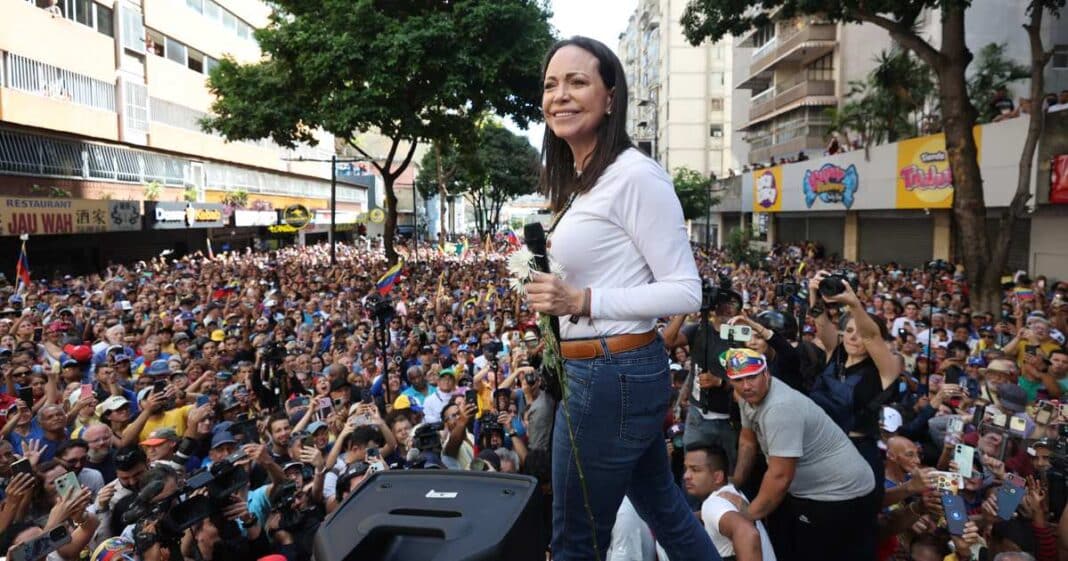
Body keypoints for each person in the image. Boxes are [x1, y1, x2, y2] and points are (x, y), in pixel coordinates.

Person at [524, 36, 718, 561]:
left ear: (611, 97)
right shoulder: (587, 179)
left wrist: (582, 301)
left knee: (575, 542)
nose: (559, 95)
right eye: (550, 84)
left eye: (577, 81)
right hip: (609, 373)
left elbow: (686, 289)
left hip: (610, 375)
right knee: (666, 512)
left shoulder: (635, 175)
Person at [725, 348, 877, 561]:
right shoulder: (745, 395)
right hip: (814, 491)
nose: (746, 385)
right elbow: (748, 439)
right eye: (738, 379)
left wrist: (746, 515)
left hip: (839, 494)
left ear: (766, 374)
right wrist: (736, 482)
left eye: (752, 377)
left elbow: (780, 477)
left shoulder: (780, 408)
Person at [683, 444, 776, 561]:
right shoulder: (731, 494)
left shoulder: (714, 503)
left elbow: (747, 534)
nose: (686, 476)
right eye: (686, 469)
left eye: (695, 470)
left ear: (717, 477)